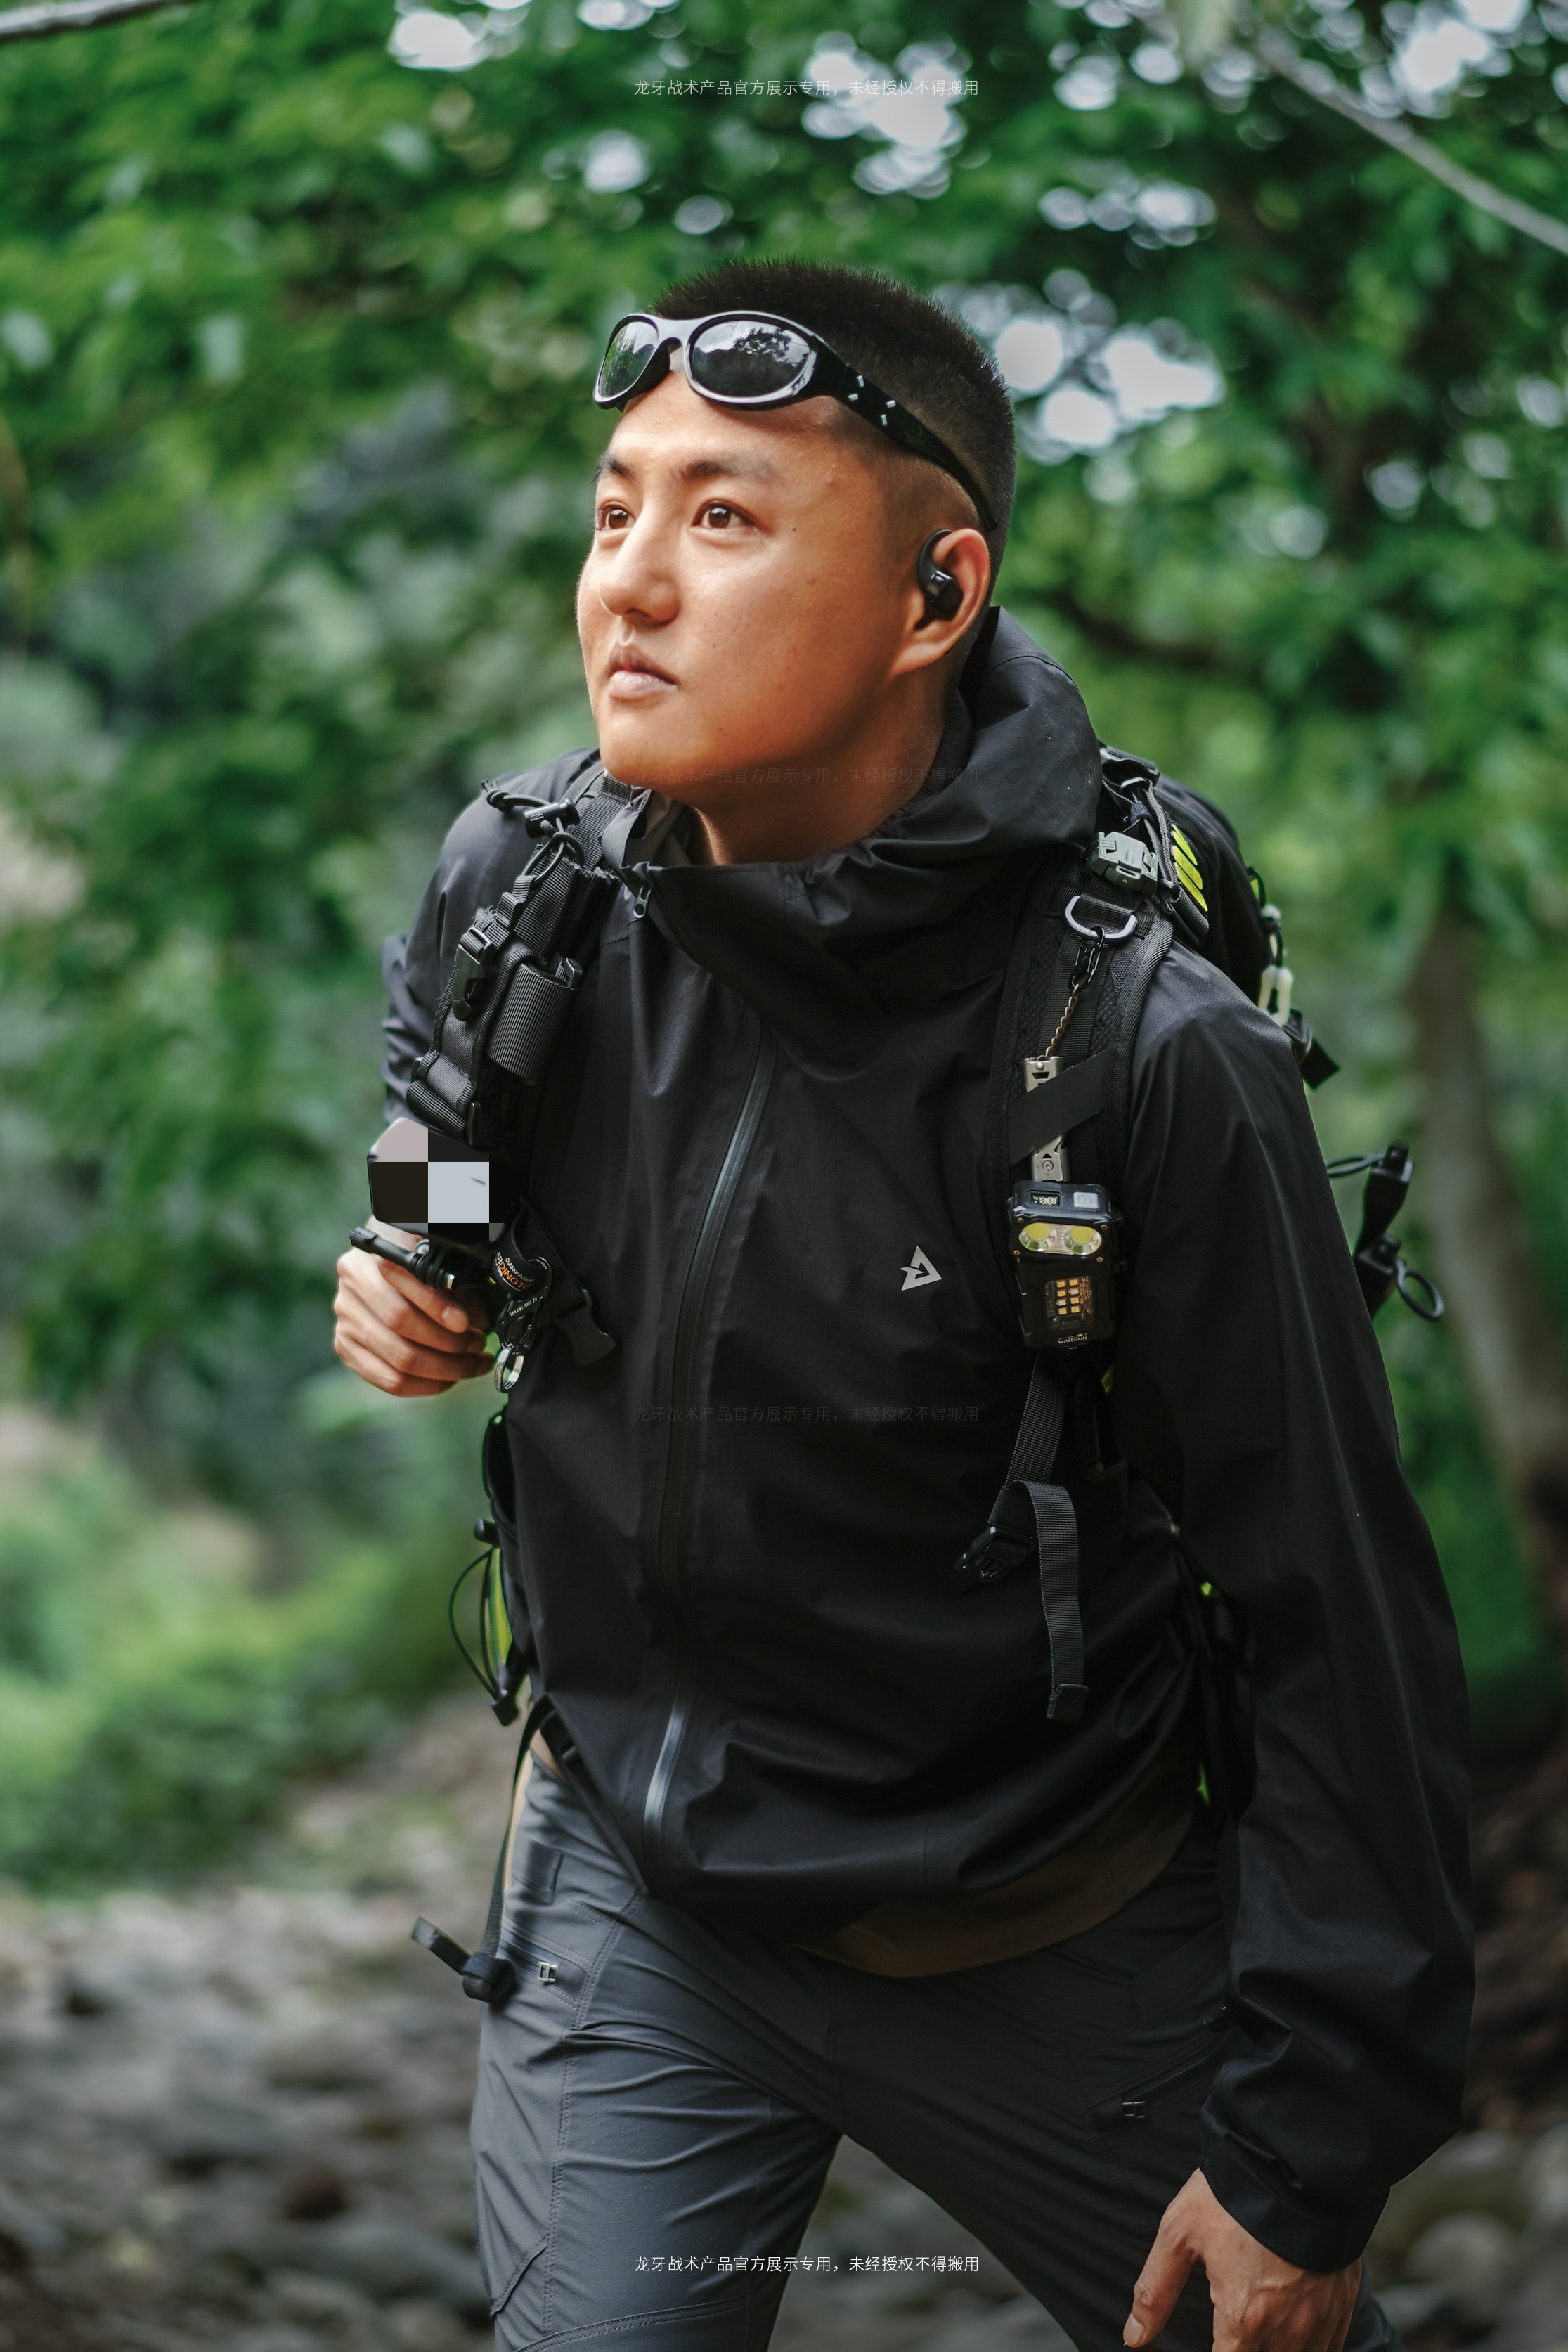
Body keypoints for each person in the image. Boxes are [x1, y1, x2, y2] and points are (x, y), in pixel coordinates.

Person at [332, 261, 1472, 2352]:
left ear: (935, 598)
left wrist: (1306, 2145)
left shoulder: (1141, 1054)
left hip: (1052, 1922)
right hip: (637, 1893)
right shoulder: (526, 889)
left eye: (724, 518)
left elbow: (1338, 1613)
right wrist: (424, 1253)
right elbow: (440, 1094)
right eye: (615, 510)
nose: (629, 583)